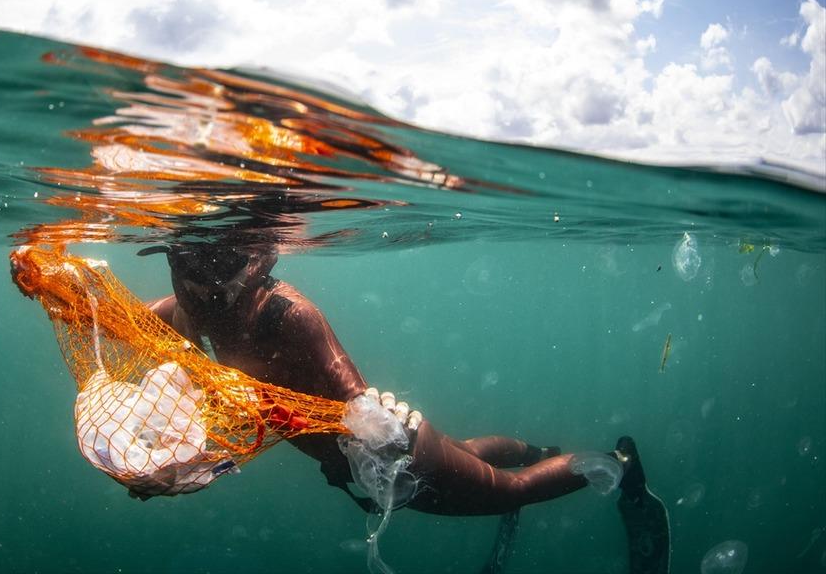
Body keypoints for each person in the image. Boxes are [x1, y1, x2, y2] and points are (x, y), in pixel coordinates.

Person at [142, 240, 668, 571]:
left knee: (510, 491)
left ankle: (620, 466)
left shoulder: (288, 314)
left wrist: (374, 425)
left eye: (216, 277)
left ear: (255, 266)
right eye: (187, 272)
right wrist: (66, 289)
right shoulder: (190, 314)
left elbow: (352, 389)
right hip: (356, 462)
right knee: (465, 454)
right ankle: (545, 449)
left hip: (396, 455)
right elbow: (115, 318)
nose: (203, 293)